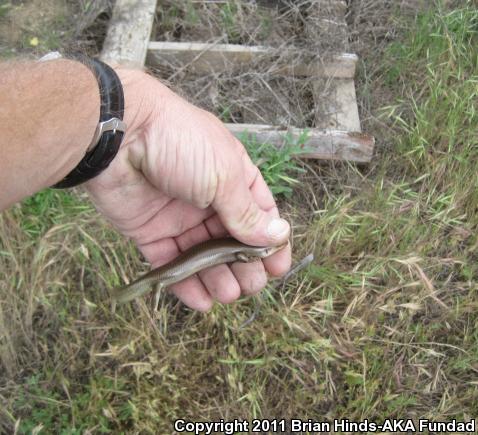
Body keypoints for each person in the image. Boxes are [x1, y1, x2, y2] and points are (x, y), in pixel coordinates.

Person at [0, 57, 291, 311]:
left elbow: (239, 253)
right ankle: (118, 297)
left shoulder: (243, 251)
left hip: (168, 269)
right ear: (253, 251)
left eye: (266, 251)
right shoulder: (246, 251)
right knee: (161, 282)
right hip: (166, 273)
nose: (266, 251)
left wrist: (132, 116)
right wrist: (136, 119)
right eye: (264, 251)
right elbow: (241, 253)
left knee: (164, 281)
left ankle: (117, 297)